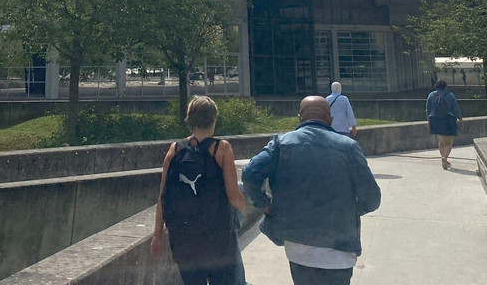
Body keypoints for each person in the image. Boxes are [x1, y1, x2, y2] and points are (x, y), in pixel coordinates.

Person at [241, 96, 381, 285]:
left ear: (300, 118)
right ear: (330, 119)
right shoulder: (349, 148)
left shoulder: (281, 144)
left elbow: (250, 173)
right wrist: (347, 211)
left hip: (298, 249)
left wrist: (265, 205)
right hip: (339, 252)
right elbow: (372, 199)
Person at [152, 95, 246, 285]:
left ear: (190, 119)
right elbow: (234, 197)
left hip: (184, 241)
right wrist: (244, 208)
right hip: (217, 239)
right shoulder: (221, 149)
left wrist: (157, 235)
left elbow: (163, 196)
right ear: (214, 119)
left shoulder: (175, 150)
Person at [426, 79, 462, 170]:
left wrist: (429, 120)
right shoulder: (450, 95)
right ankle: (445, 157)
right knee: (449, 142)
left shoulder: (431, 95)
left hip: (435, 120)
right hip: (448, 120)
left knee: (441, 141)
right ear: (446, 87)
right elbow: (455, 108)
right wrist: (460, 117)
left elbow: (428, 109)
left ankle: (443, 157)